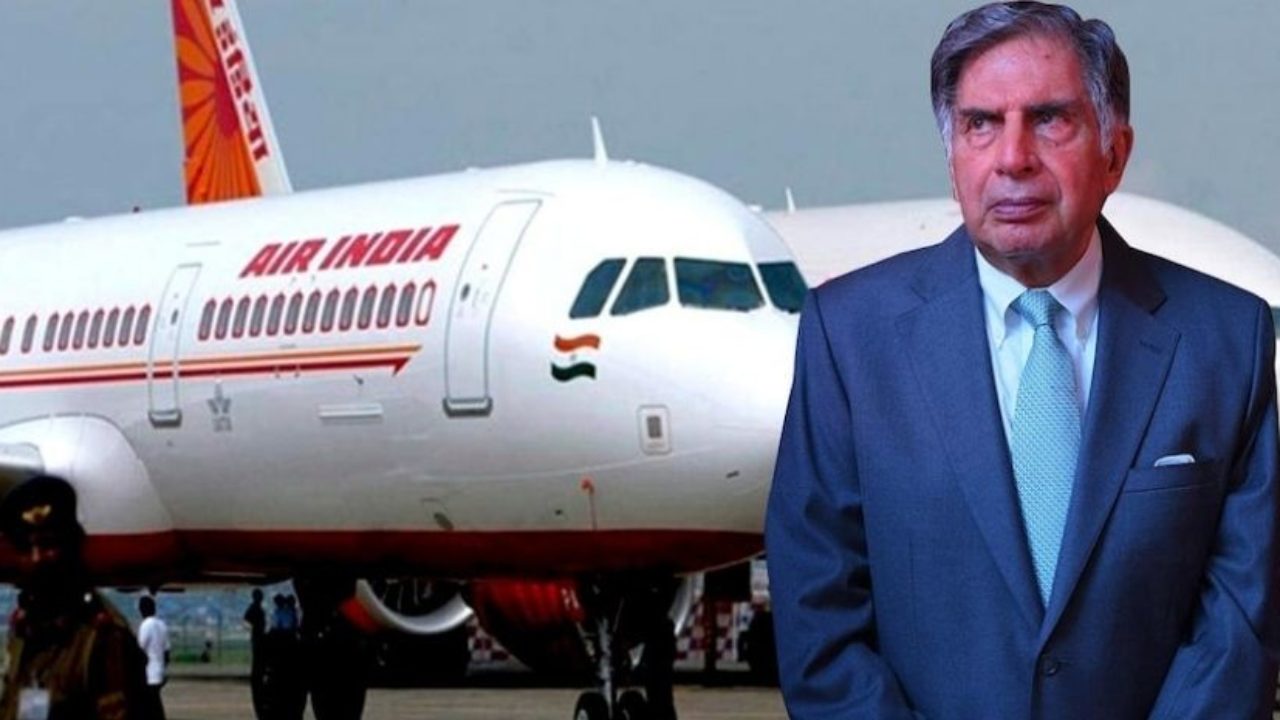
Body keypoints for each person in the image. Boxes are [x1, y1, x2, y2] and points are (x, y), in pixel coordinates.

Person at [765, 3, 1280, 718]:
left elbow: (1240, 627)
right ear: (953, 161)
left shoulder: (1226, 341)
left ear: (1114, 153)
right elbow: (818, 621)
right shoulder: (849, 340)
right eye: (980, 124)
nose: (1012, 158)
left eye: (1049, 119)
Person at [0, 474, 157, 720]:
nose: (37, 558)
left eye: (48, 545)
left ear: (72, 545)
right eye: (25, 548)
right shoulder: (23, 630)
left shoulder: (101, 636)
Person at [136, 595, 170, 719]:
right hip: (159, 672)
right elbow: (167, 651)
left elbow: (140, 650)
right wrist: (163, 668)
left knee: (150, 705)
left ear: (142, 609)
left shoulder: (145, 625)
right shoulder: (162, 625)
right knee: (155, 703)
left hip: (148, 673)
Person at [243, 588, 267, 718]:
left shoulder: (256, 607)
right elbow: (246, 619)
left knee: (259, 656)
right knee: (258, 656)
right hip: (257, 635)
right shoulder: (254, 608)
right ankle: (257, 673)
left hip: (259, 635)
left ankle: (258, 672)